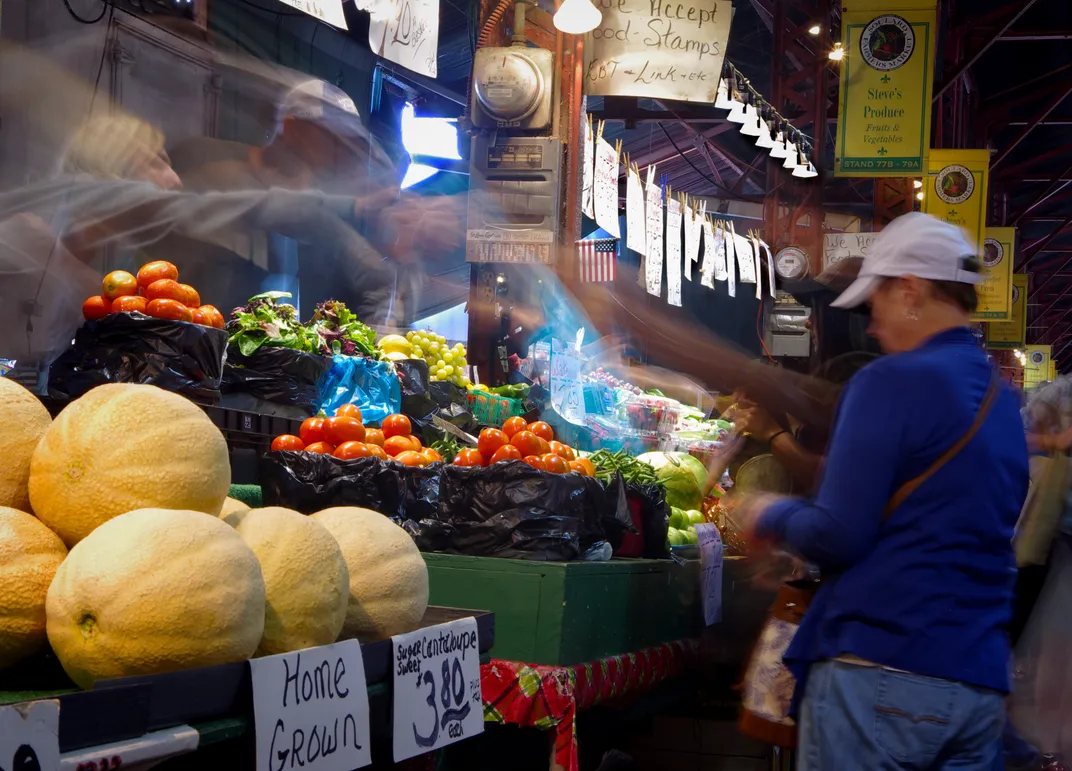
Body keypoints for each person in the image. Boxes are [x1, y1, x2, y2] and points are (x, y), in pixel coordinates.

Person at [733, 212, 1029, 770]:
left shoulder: (889, 381)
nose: (872, 327)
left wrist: (770, 511)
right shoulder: (1003, 403)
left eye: (877, 305)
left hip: (880, 673)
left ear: (911, 291)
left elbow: (839, 534)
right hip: (977, 686)